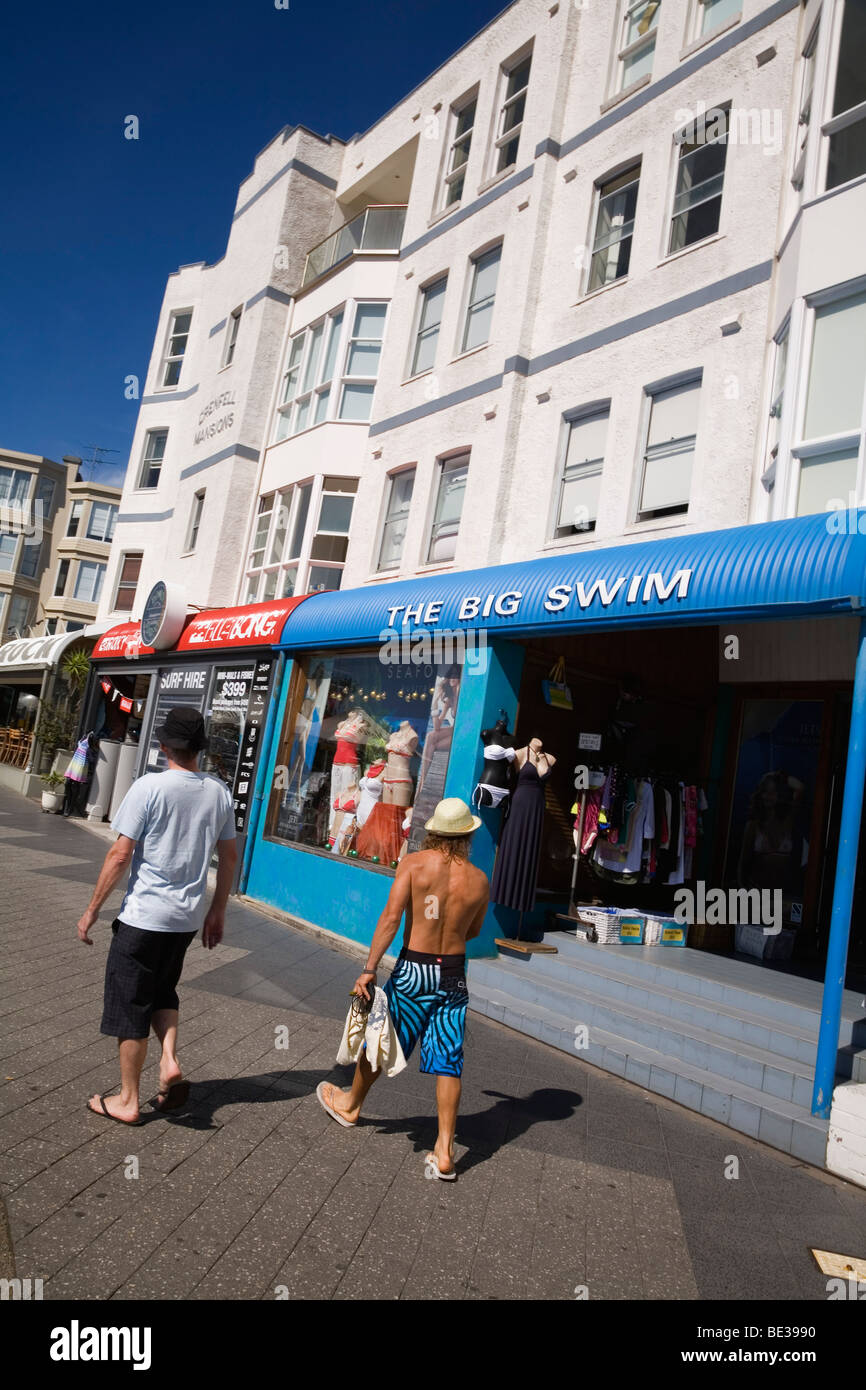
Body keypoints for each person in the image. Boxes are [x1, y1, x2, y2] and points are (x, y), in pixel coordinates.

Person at [77, 707, 237, 1126]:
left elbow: (120, 853)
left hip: (143, 918)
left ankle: (129, 1100)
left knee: (130, 1005)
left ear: (165, 745)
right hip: (184, 920)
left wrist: (92, 910)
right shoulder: (218, 791)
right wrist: (217, 909)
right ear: (198, 748)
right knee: (163, 991)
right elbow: (230, 855)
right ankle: (168, 1060)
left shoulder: (149, 787)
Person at [317, 797, 489, 1179]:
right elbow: (472, 931)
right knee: (449, 1058)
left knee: (383, 1038)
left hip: (415, 968)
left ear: (434, 832)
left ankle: (350, 1104)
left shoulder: (414, 864)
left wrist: (369, 968)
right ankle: (444, 1151)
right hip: (453, 974)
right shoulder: (479, 880)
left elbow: (392, 918)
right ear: (466, 836)